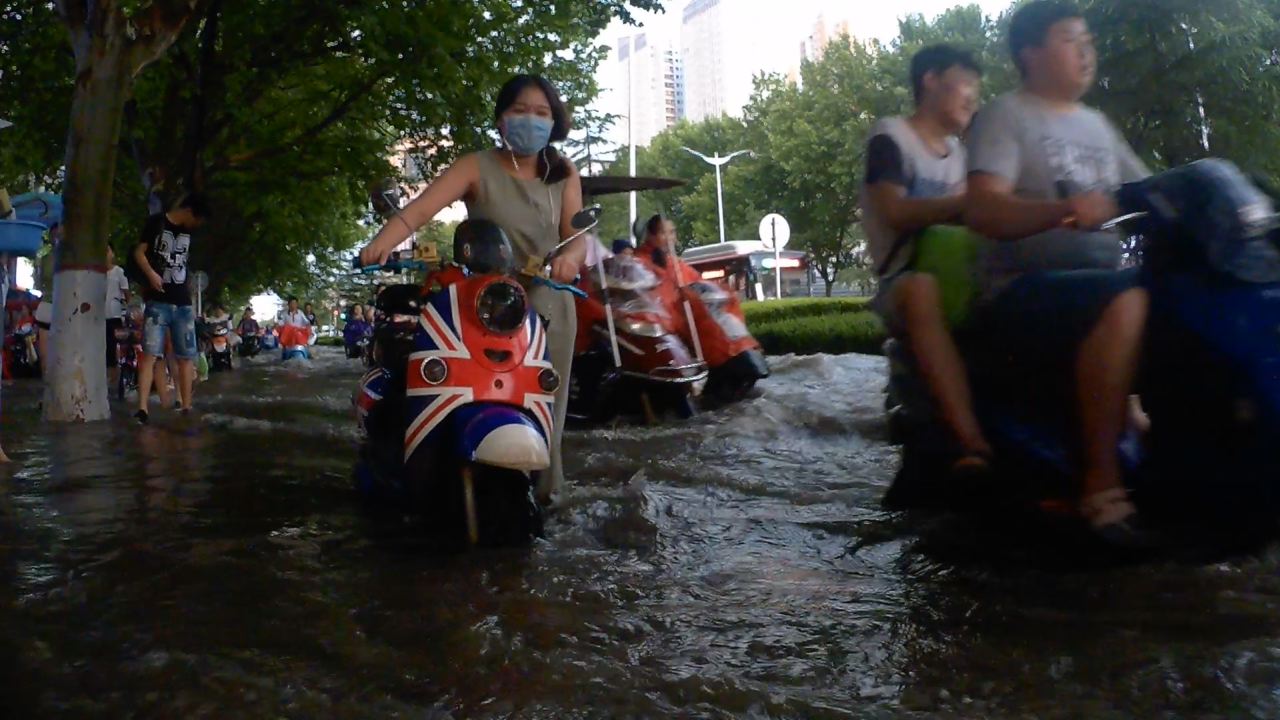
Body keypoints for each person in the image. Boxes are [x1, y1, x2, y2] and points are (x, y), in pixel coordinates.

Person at [963, 1, 1153, 546]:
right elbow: (983, 211)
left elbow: (1154, 190)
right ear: (1031, 53)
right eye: (1072, 38)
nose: (1087, 49)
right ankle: (1101, 484)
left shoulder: (1098, 124)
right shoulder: (1007, 115)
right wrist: (1062, 211)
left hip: (1101, 285)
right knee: (1131, 297)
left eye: (1088, 38)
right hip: (1019, 295)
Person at [358, 73, 585, 502]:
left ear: (554, 121)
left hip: (549, 305)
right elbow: (419, 209)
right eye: (520, 111)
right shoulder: (474, 165)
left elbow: (576, 233)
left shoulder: (564, 172)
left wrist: (571, 258)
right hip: (485, 306)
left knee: (547, 412)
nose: (530, 120)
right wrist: (382, 243)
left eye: (541, 113)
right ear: (500, 119)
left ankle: (548, 499)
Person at [860, 45, 990, 476]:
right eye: (966, 81)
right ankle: (970, 441)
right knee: (921, 289)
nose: (973, 95)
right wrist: (964, 202)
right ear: (930, 80)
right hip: (904, 281)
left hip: (967, 274)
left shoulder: (963, 155)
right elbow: (893, 211)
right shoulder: (890, 138)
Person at [133, 192, 211, 423]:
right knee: (150, 354)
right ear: (189, 212)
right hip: (157, 301)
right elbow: (138, 252)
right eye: (197, 220)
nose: (197, 226)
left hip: (184, 303)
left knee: (186, 356)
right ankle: (142, 408)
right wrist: (150, 274)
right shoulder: (156, 223)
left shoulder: (190, 232)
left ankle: (186, 406)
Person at [105, 245, 131, 395]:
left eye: (107, 250)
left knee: (114, 347)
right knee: (103, 348)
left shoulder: (118, 272)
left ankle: (115, 379)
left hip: (115, 316)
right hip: (99, 317)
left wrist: (129, 312)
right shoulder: (97, 274)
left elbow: (127, 294)